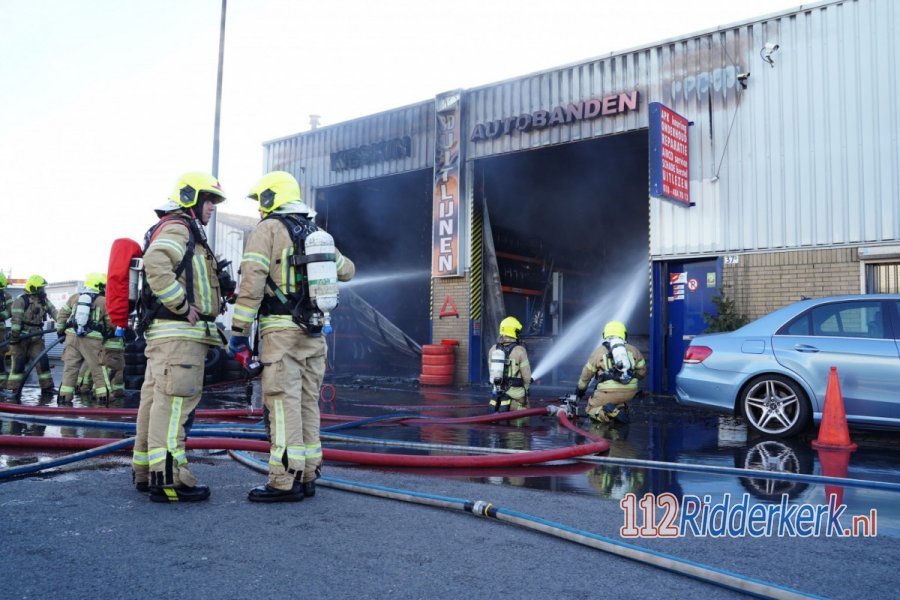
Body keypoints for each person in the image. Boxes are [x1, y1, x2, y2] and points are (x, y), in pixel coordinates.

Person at [230, 170, 354, 502]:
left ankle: (284, 480)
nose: (258, 209)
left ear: (272, 198)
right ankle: (309, 473)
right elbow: (347, 270)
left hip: (280, 332)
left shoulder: (267, 229)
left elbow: (252, 283)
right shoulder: (316, 233)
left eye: (261, 201)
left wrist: (239, 333)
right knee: (306, 404)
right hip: (314, 333)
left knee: (283, 406)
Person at [131, 172, 229, 503]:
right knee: (175, 406)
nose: (212, 207)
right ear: (191, 198)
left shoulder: (180, 228)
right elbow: (156, 262)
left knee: (155, 403)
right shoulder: (178, 227)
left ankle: (146, 471)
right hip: (178, 338)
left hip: (165, 338)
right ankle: (170, 479)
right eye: (209, 200)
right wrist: (181, 304)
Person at [55, 273, 112, 405]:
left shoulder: (74, 298)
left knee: (70, 369)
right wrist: (109, 332)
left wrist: (60, 331)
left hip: (72, 337)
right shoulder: (103, 301)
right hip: (92, 340)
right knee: (98, 368)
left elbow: (62, 314)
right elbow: (111, 323)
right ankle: (103, 399)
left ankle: (64, 398)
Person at [575, 320, 647, 424]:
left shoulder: (598, 352)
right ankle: (620, 409)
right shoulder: (633, 350)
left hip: (607, 392)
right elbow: (642, 372)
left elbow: (586, 375)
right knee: (616, 401)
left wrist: (580, 390)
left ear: (605, 334)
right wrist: (630, 380)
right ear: (624, 334)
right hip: (630, 391)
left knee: (590, 409)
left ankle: (608, 412)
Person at [4, 275, 58, 397]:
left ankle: (47, 387)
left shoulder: (43, 301)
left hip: (36, 338)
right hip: (21, 338)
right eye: (41, 288)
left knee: (42, 362)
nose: (43, 291)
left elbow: (54, 312)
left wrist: (64, 323)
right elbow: (16, 319)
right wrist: (15, 336)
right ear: (33, 288)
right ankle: (14, 390)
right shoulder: (21, 300)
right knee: (19, 364)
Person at [487, 316, 531, 413]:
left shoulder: (493, 349)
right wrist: (526, 390)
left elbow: (491, 371)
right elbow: (527, 377)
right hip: (515, 392)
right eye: (517, 332)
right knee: (525, 404)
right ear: (512, 332)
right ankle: (518, 417)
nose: (518, 335)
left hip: (497, 390)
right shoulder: (520, 350)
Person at [0, 273, 12, 387]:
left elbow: (10, 311)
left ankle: (2, 385)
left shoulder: (6, 296)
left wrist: (1, 315)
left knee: (0, 357)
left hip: (0, 331)